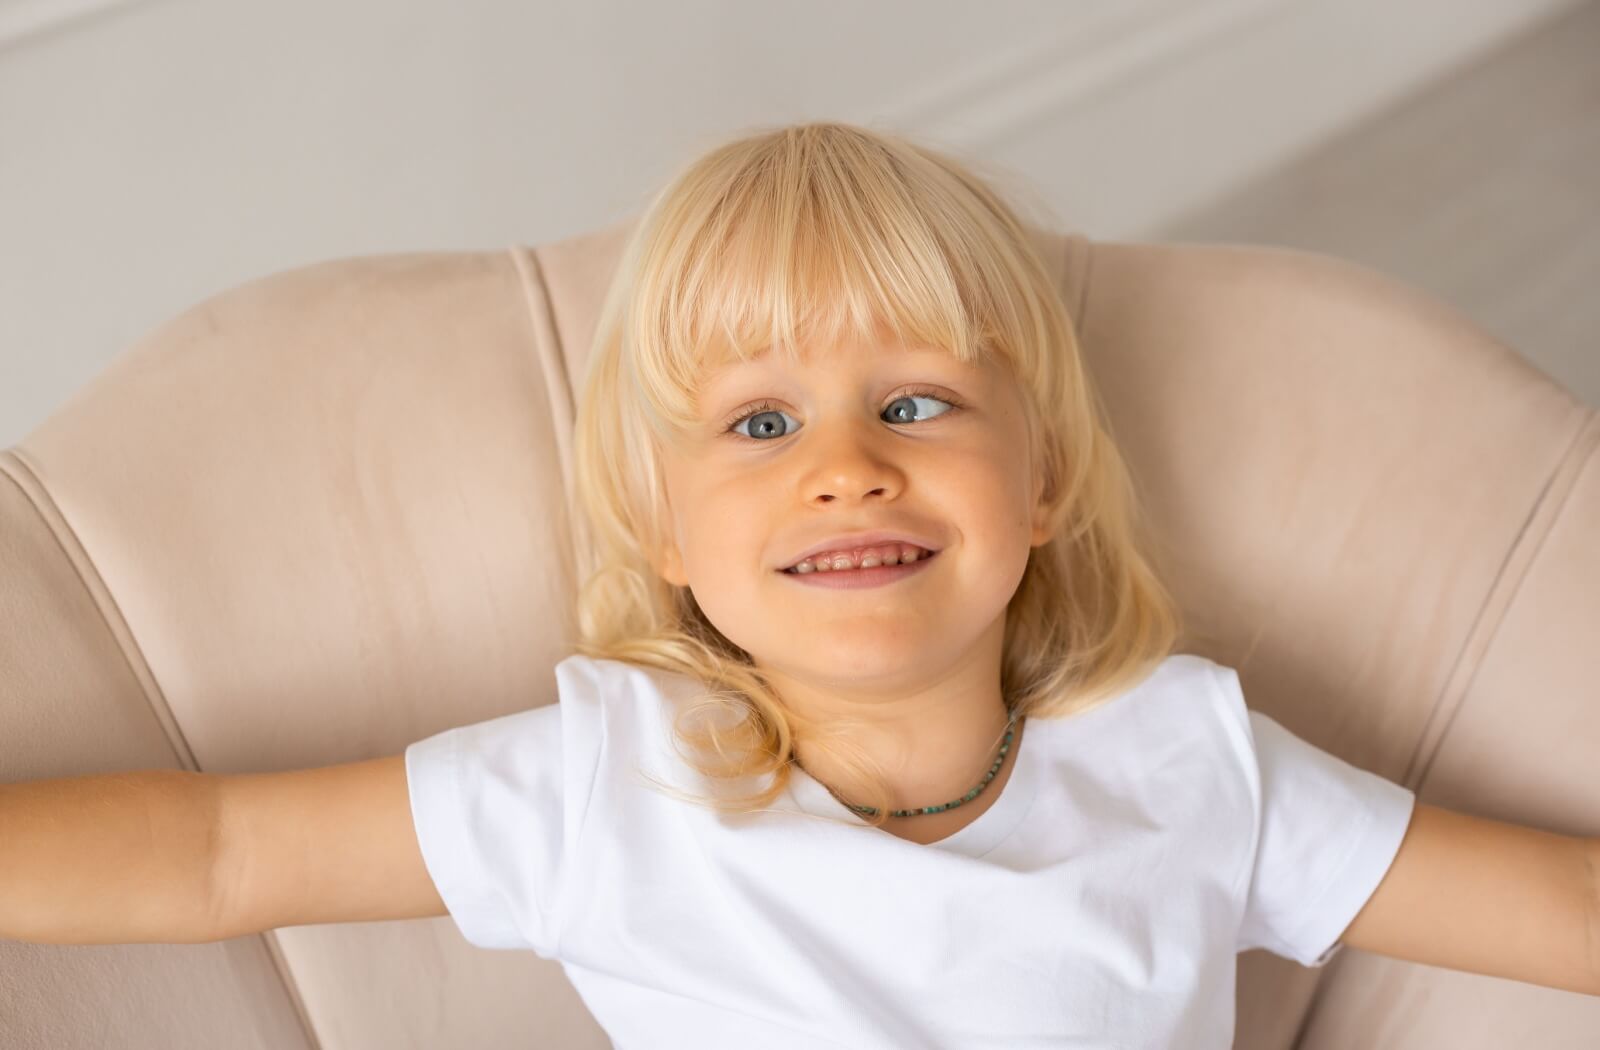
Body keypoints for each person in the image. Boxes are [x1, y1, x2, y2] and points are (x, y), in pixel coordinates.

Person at [8, 121, 1594, 1048]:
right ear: (661, 534)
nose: (848, 465)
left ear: (1041, 486)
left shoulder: (1191, 762)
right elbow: (216, 853)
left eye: (918, 404)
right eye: (760, 425)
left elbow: (1561, 908)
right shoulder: (603, 780)